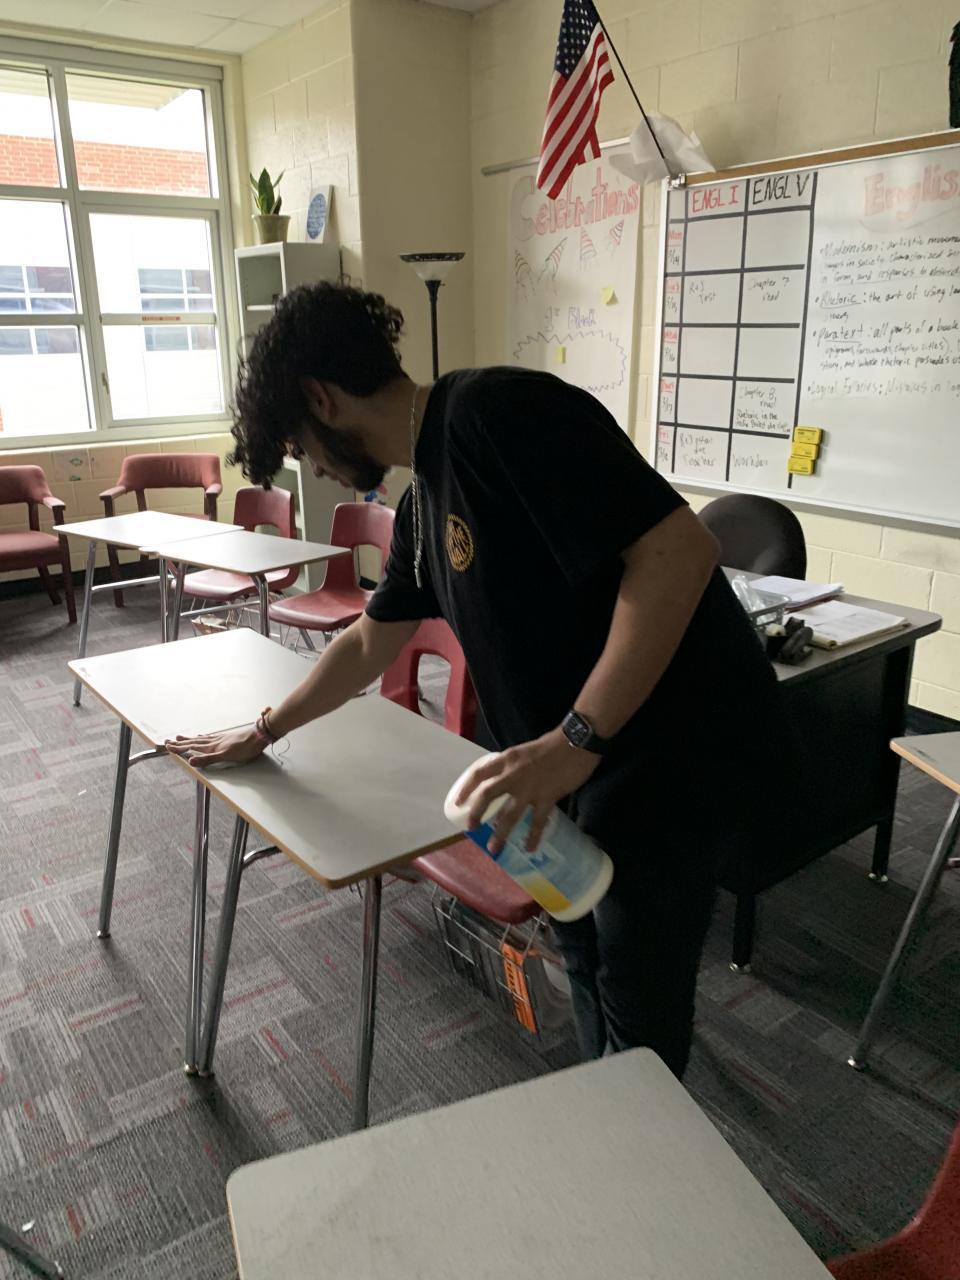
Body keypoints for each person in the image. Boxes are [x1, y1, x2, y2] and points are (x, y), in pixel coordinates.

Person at [167, 281, 789, 1079]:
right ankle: (607, 1106)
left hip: (667, 748)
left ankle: (639, 1128)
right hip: (566, 765)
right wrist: (265, 730)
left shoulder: (501, 414)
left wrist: (575, 739)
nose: (314, 467)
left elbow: (679, 553)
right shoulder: (423, 497)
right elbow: (370, 639)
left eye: (302, 447)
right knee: (581, 951)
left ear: (323, 398)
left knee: (639, 994)